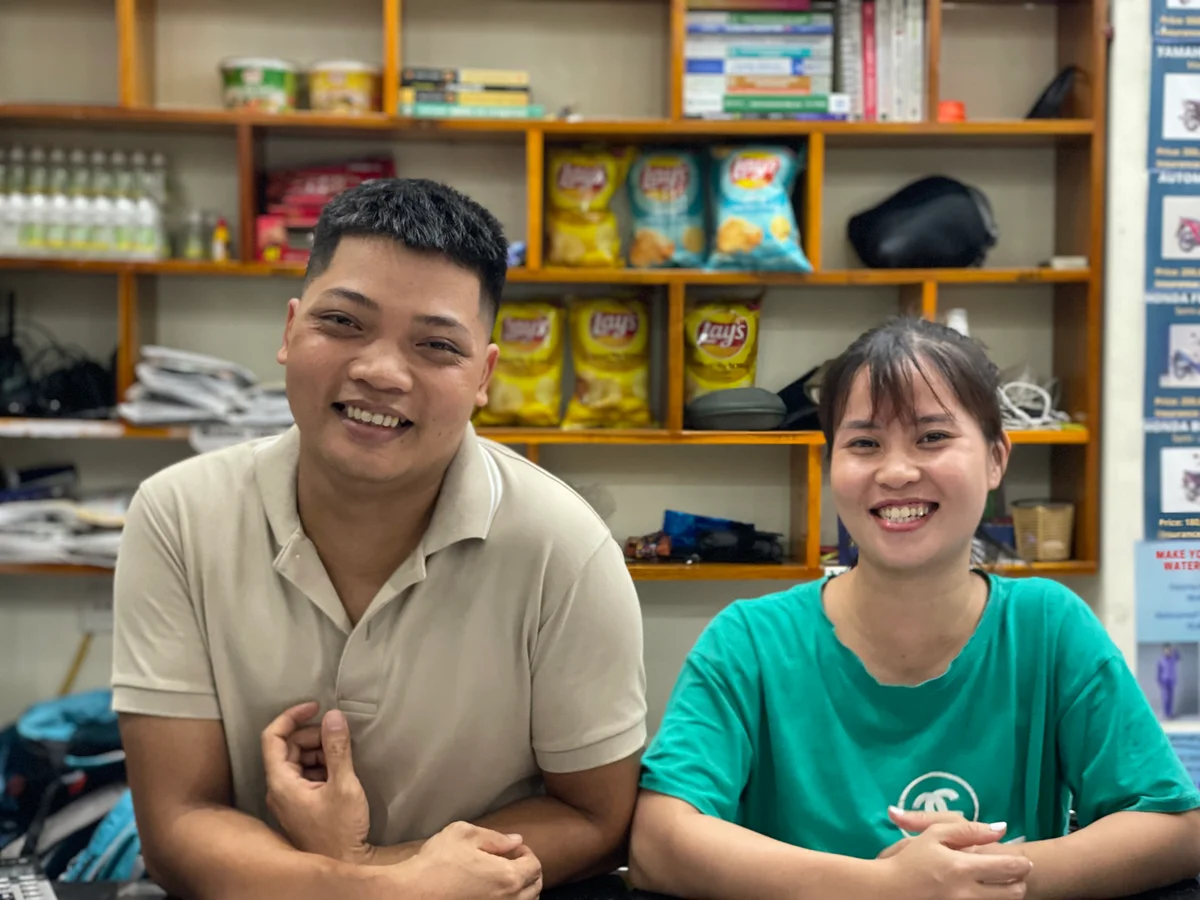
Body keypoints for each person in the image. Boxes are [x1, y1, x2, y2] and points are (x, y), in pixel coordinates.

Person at [111, 178, 647, 900]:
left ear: (484, 374)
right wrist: (385, 888)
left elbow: (595, 814)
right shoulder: (177, 514)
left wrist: (363, 868)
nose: (381, 372)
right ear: (291, 328)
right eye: (344, 323)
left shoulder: (565, 548)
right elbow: (178, 823)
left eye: (435, 344)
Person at [629, 317, 1200, 900]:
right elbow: (658, 839)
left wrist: (981, 881)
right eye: (864, 444)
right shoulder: (749, 640)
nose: (897, 472)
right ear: (832, 467)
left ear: (997, 458)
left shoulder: (1049, 625)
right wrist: (886, 886)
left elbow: (1175, 827)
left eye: (932, 437)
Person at [1160, 644, 1181, 720]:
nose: (1168, 651)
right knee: (1165, 698)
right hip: (1164, 681)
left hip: (1171, 681)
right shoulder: (1161, 660)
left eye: (1169, 650)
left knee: (1171, 698)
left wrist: (1174, 649)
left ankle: (1170, 714)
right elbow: (1159, 671)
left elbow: (1179, 657)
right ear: (1164, 651)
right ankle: (1166, 714)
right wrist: (1159, 681)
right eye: (1166, 650)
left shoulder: (1173, 659)